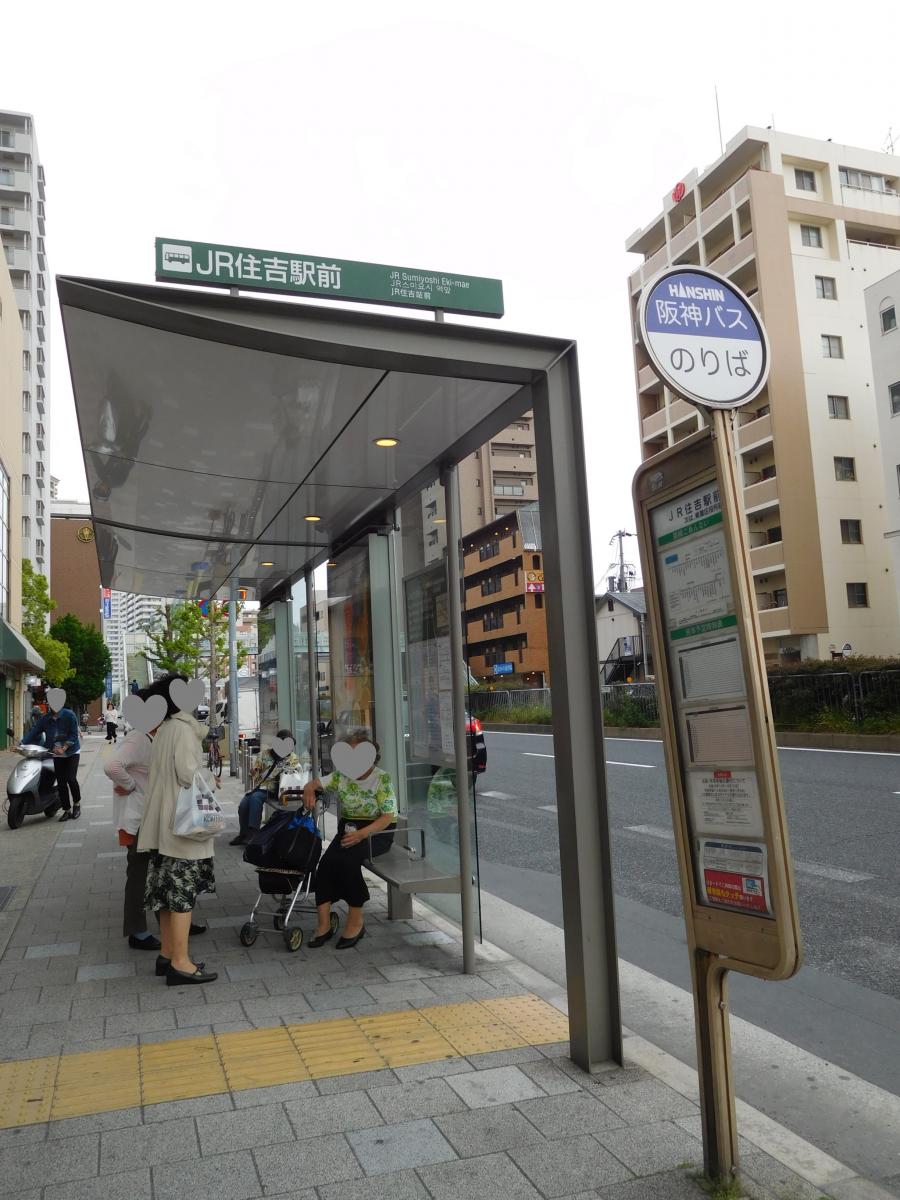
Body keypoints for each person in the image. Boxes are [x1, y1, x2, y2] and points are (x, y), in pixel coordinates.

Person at [137, 673, 218, 986]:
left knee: (166, 895)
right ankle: (181, 963)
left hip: (162, 826)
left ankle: (168, 954)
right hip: (182, 828)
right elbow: (188, 774)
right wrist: (210, 778)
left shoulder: (165, 729)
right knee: (182, 896)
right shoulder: (183, 730)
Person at [302, 728, 397, 949]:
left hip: (376, 832)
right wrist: (308, 789)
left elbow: (387, 816)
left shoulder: (381, 778)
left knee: (347, 863)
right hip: (348, 829)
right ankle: (324, 925)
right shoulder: (341, 776)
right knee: (325, 864)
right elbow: (314, 784)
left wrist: (362, 834)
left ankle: (356, 922)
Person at [229, 728, 301, 846]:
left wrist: (290, 772)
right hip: (262, 787)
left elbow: (297, 774)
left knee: (255, 798)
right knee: (243, 804)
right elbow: (255, 772)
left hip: (279, 790)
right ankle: (243, 834)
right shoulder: (265, 754)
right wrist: (254, 772)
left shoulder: (293, 758)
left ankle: (254, 834)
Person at [23, 699, 82, 821]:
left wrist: (64, 747)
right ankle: (66, 810)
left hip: (72, 751)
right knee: (61, 782)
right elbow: (34, 732)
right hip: (56, 753)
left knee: (71, 779)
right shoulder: (45, 719)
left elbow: (73, 734)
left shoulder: (69, 715)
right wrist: (21, 744)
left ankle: (76, 804)